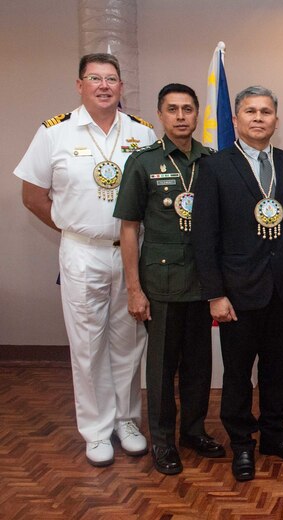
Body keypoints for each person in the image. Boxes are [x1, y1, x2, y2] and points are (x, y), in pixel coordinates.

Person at [14, 53, 157, 467]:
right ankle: (96, 430)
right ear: (79, 85)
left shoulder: (142, 132)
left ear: (121, 86)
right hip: (81, 252)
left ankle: (127, 422)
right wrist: (74, 229)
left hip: (131, 253)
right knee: (88, 344)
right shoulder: (54, 132)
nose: (104, 86)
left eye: (111, 79)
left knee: (129, 341)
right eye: (94, 78)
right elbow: (33, 197)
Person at [191, 85, 283, 482]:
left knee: (277, 367)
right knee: (238, 372)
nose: (258, 118)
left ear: (276, 120)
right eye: (250, 111)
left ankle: (276, 435)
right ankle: (242, 442)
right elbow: (204, 236)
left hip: (281, 286)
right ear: (236, 119)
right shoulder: (214, 166)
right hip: (236, 291)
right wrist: (215, 293)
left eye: (265, 112)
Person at [114, 83, 225, 475]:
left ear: (197, 114)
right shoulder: (143, 162)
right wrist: (134, 289)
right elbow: (129, 228)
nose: (181, 116)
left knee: (199, 365)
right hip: (160, 284)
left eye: (187, 109)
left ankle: (193, 431)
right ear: (160, 115)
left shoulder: (212, 161)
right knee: (161, 369)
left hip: (202, 282)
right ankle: (162, 441)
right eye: (172, 109)